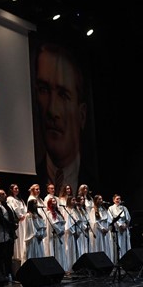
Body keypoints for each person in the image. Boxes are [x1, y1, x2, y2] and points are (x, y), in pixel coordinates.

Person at [34, 42, 97, 194]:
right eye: (43, 89)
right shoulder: (29, 182)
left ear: (81, 114)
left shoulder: (95, 184)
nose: (52, 110)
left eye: (63, 95)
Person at [7, 183, 28, 264]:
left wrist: (25, 215)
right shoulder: (10, 198)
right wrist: (20, 216)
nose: (17, 190)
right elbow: (14, 208)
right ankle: (18, 255)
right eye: (15, 188)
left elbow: (25, 208)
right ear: (11, 190)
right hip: (18, 220)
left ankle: (23, 254)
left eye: (17, 188)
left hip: (23, 220)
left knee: (23, 236)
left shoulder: (20, 199)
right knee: (19, 236)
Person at [108, 194, 131, 260]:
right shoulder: (111, 208)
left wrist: (125, 226)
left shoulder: (124, 208)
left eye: (119, 199)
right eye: (117, 199)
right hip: (116, 229)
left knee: (124, 245)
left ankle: (125, 259)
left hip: (124, 229)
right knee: (118, 245)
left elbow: (128, 218)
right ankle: (117, 260)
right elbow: (111, 219)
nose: (118, 200)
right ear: (113, 200)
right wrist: (119, 225)